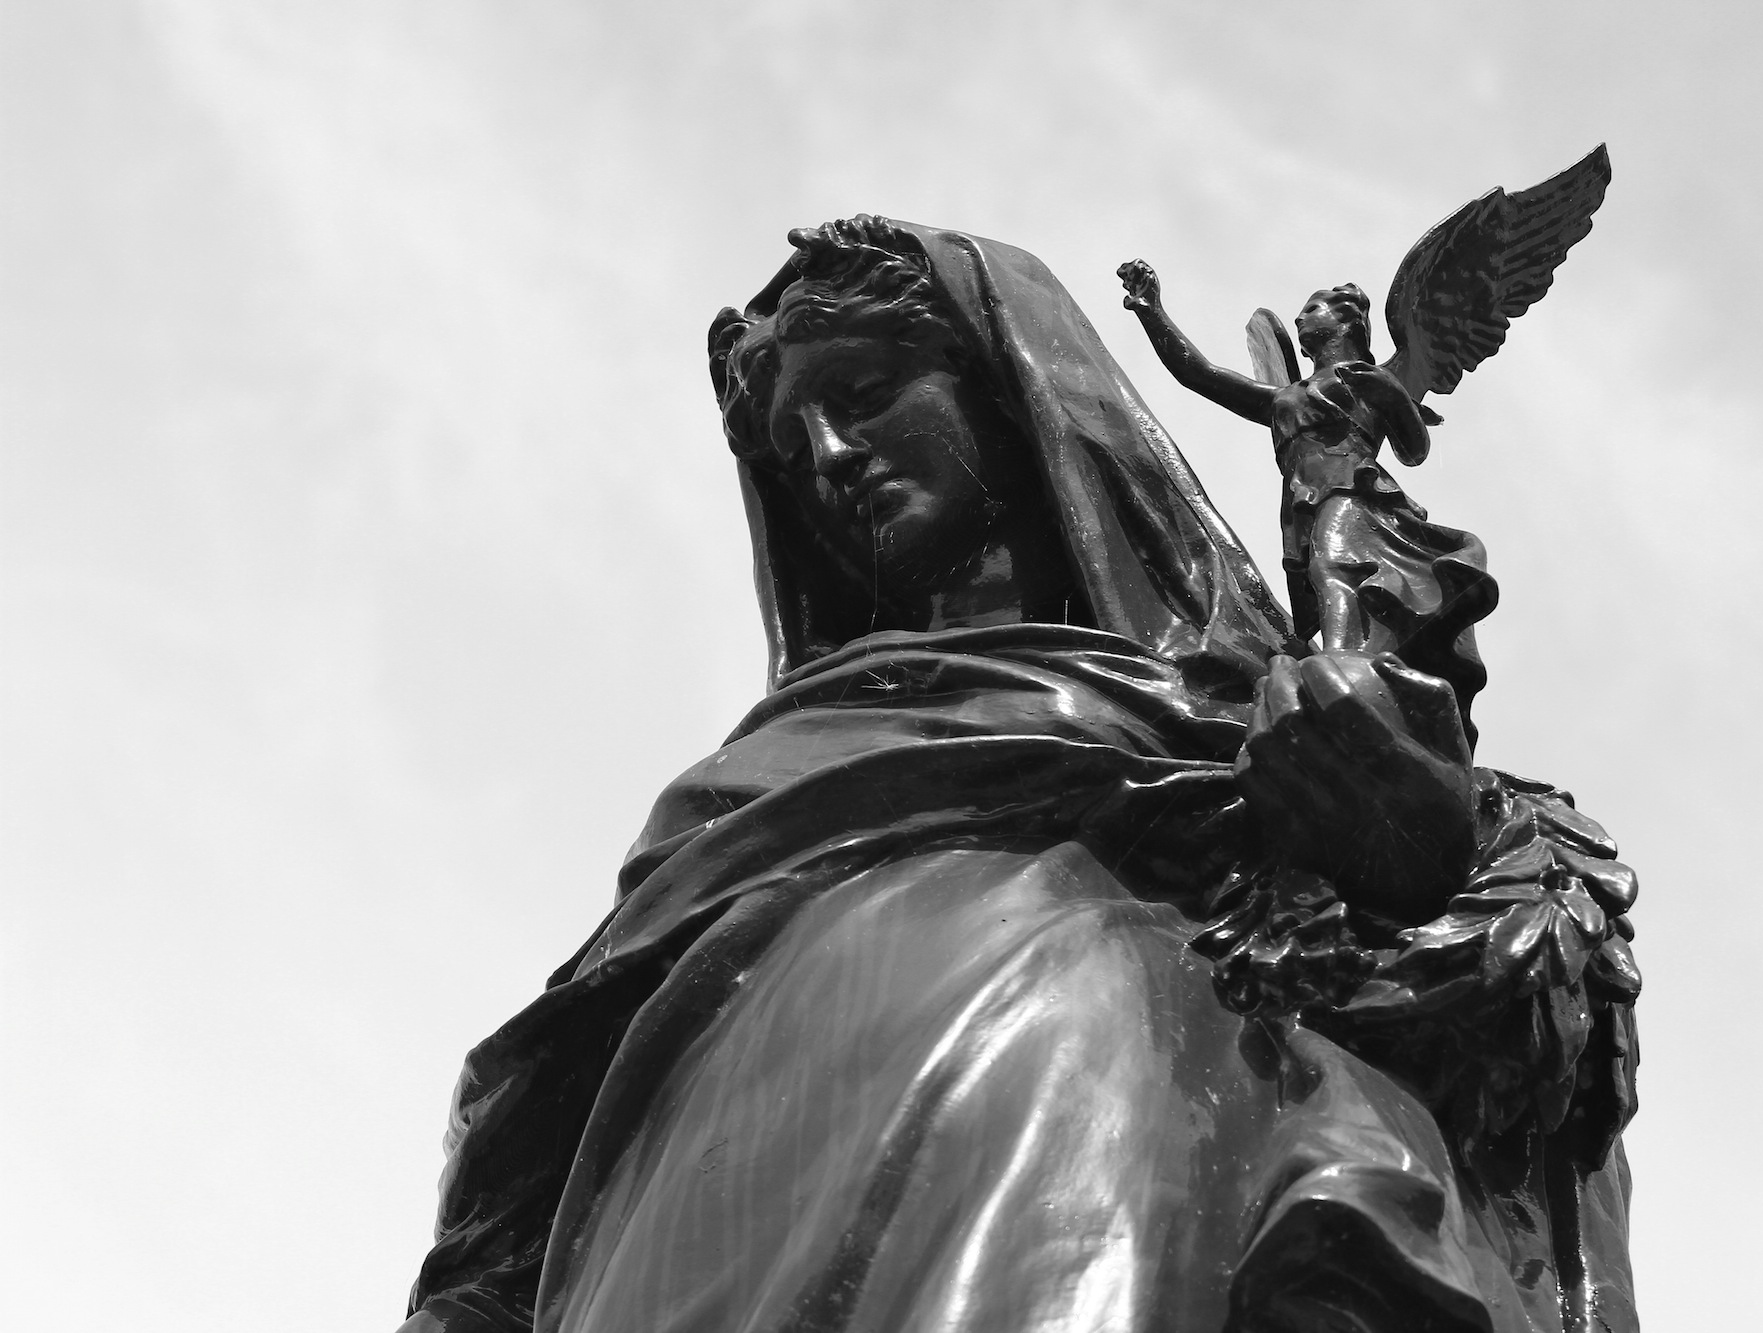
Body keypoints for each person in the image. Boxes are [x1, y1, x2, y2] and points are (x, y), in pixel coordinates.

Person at [397, 217, 1638, 1333]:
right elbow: (536, 1124)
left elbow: (1505, 1000)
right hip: (706, 1218)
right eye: (789, 440)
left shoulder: (1249, 715)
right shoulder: (760, 776)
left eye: (864, 394)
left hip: (1083, 1158)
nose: (827, 455)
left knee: (1116, 1016)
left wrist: (1400, 834)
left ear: (1004, 388)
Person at [1115, 262, 1498, 720]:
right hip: (1302, 505)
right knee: (1324, 577)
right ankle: (1346, 659)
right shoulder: (1284, 397)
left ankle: (1341, 663)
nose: (1299, 318)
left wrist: (1393, 394)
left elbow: (1414, 450)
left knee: (1332, 566)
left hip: (1353, 490)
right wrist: (1151, 310)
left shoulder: (1367, 380)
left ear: (1347, 321)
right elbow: (1199, 373)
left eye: (1313, 309)